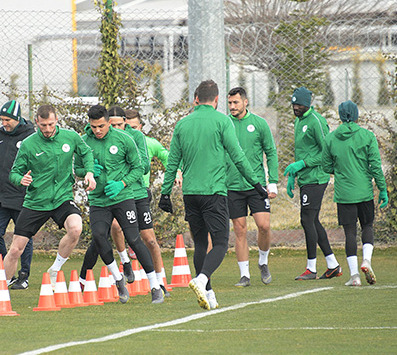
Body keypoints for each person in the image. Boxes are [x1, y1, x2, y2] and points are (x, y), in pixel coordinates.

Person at [159, 80, 268, 310]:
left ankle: (208, 294)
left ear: (196, 99)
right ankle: (202, 279)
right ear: (217, 100)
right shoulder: (222, 121)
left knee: (200, 243)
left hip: (190, 194)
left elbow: (172, 162)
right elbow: (238, 157)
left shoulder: (183, 124)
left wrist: (165, 192)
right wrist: (257, 184)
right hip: (214, 192)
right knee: (220, 243)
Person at [76, 105, 163, 303]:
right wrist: (87, 171)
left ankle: (155, 286)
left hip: (123, 197)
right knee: (98, 237)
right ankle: (118, 279)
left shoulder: (124, 139)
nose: (97, 130)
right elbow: (77, 167)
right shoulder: (83, 141)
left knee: (134, 239)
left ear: (108, 123)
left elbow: (138, 167)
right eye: (93, 126)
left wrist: (121, 183)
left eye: (101, 126)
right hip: (98, 199)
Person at [3, 104, 96, 286]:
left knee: (76, 228)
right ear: (37, 122)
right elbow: (13, 173)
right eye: (43, 125)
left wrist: (90, 173)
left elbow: (86, 153)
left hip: (62, 198)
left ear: (57, 121)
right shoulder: (29, 144)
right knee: (15, 250)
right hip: (36, 202)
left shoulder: (70, 137)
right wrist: (20, 179)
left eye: (51, 124)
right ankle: (1, 287)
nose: (47, 129)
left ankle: (55, 268)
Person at [321, 101, 388, 286]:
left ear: (340, 116)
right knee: (367, 226)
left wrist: (342, 171)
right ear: (357, 115)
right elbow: (375, 165)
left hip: (344, 193)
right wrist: (382, 189)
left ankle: (354, 276)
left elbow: (326, 165)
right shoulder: (367, 136)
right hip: (364, 191)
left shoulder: (331, 138)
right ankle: (366, 260)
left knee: (349, 232)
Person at [106, 107, 169, 295]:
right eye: (115, 125)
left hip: (139, 192)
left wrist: (176, 172)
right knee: (116, 227)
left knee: (149, 239)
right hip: (122, 194)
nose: (122, 129)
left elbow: (165, 157)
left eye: (130, 126)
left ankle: (160, 281)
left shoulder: (145, 141)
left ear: (137, 126)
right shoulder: (110, 142)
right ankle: (125, 261)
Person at [284, 87, 342, 280]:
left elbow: (326, 152)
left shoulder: (316, 121)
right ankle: (333, 265)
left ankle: (311, 268)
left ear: (307, 104)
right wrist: (294, 174)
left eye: (299, 104)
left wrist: (303, 164)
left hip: (317, 177)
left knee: (307, 219)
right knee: (313, 220)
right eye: (294, 104)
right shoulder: (298, 121)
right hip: (306, 178)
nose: (296, 107)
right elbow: (302, 150)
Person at [225, 87, 279, 287]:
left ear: (245, 102)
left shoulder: (259, 124)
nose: (232, 106)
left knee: (264, 226)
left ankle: (263, 262)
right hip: (232, 185)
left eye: (235, 102)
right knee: (239, 229)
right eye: (229, 103)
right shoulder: (224, 124)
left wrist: (272, 181)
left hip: (256, 185)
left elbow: (271, 152)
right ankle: (244, 275)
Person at [0, 100, 36, 289]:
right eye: (2, 119)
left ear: (17, 118)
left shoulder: (30, 136)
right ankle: (5, 271)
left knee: (23, 236)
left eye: (7, 119)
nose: (4, 123)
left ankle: (24, 276)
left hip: (21, 196)